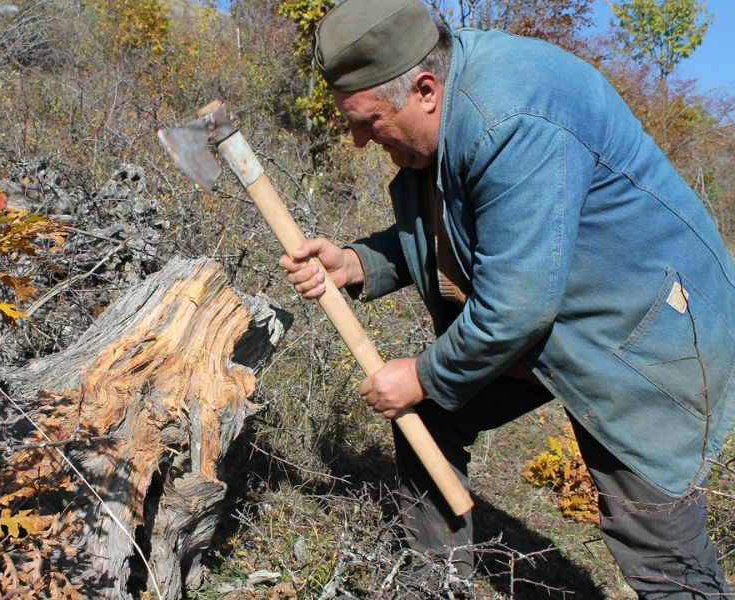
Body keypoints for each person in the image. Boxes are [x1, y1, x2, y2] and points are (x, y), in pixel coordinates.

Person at [279, 0, 735, 596]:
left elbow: (515, 305)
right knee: (432, 416)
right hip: (549, 313)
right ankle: (433, 582)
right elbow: (471, 231)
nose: (361, 140)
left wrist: (419, 374)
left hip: (649, 328)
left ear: (424, 89)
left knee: (658, 545)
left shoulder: (510, 116)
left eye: (368, 119)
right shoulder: (443, 104)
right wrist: (359, 262)